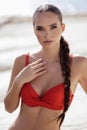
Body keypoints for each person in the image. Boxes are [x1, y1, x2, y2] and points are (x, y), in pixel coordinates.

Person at [4, 4, 87, 130]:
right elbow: (9, 108)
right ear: (34, 30)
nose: (47, 34)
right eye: (40, 28)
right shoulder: (22, 61)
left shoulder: (78, 64)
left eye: (53, 27)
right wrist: (19, 81)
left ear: (62, 27)